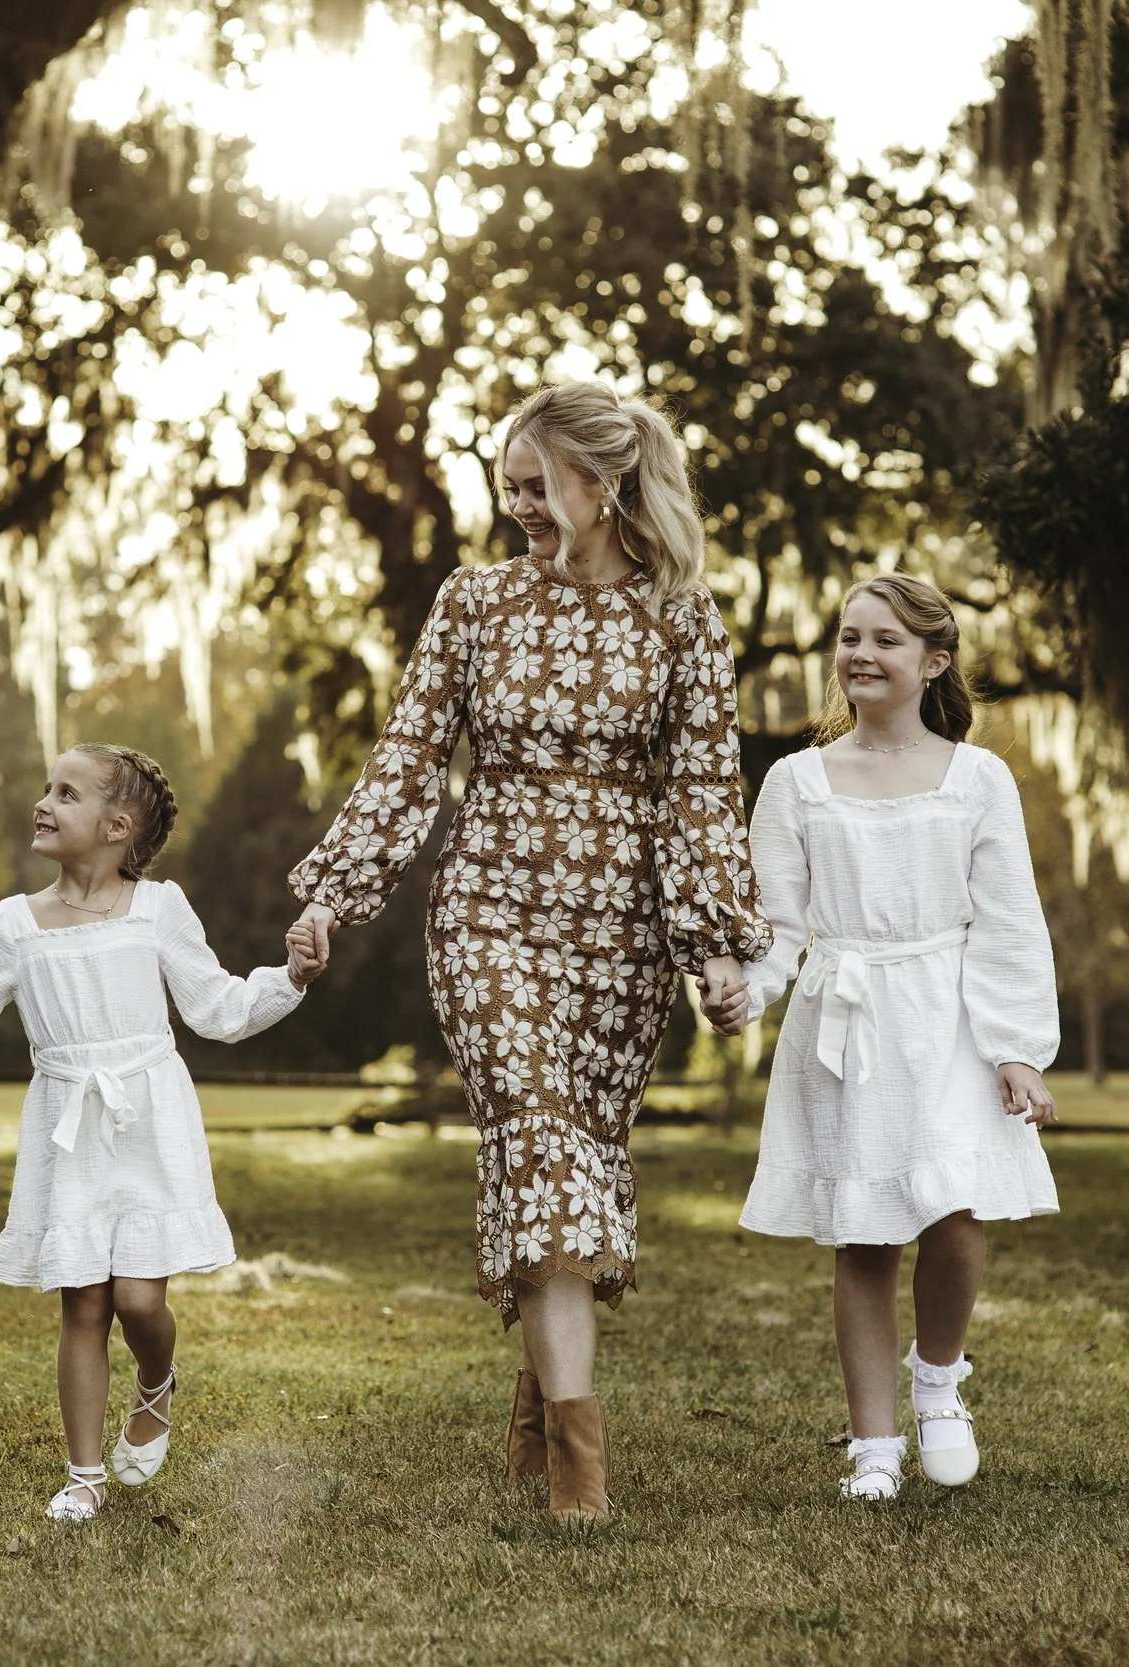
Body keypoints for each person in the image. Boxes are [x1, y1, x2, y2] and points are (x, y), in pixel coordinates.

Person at [288, 381, 768, 1520]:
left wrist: (715, 942)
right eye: (505, 485)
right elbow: (408, 756)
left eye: (536, 484)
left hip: (619, 929)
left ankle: (540, 1401)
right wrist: (331, 895)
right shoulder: (474, 601)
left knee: (578, 1153)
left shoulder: (684, 621)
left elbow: (703, 792)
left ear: (605, 486)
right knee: (543, 1138)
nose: (517, 507)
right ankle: (579, 1473)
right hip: (489, 909)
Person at [0, 744, 323, 1523]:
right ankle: (83, 1472)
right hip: (68, 1126)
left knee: (139, 1299)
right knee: (83, 1300)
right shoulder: (11, 925)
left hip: (149, 1119)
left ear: (118, 826)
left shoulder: (160, 911)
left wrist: (289, 979)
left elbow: (218, 1007)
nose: (44, 803)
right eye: (45, 787)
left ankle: (156, 1381)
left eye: (67, 792)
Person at [706, 572, 1060, 1502]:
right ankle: (873, 1445)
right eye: (849, 636)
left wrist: (1016, 1045)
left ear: (933, 661)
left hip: (947, 1015)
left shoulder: (978, 778)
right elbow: (778, 925)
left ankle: (938, 1378)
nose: (860, 653)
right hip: (847, 1021)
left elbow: (1009, 919)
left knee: (956, 1210)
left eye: (885, 640)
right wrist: (745, 989)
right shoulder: (796, 782)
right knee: (864, 1234)